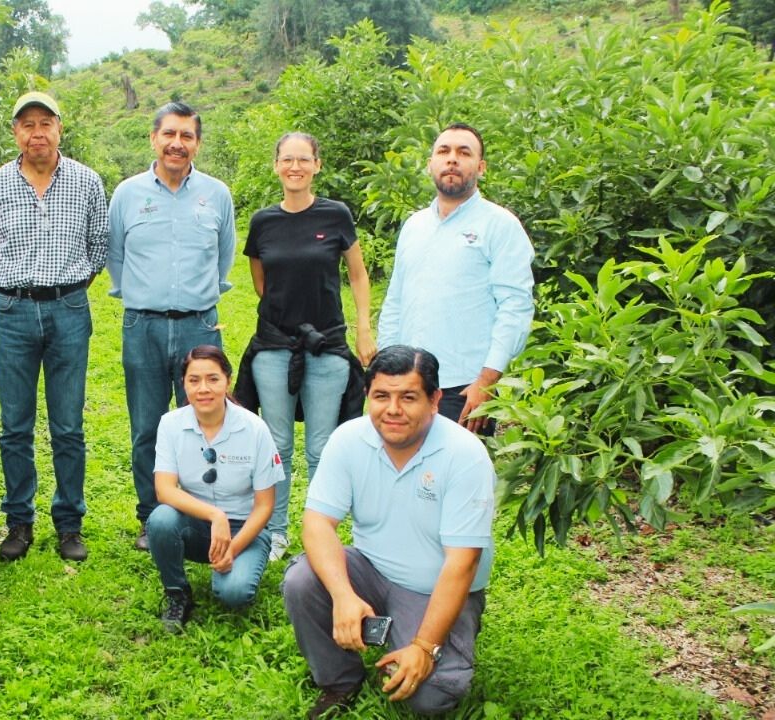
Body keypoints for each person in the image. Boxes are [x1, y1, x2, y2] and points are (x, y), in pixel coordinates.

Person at [281, 345, 495, 718]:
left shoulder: (465, 455)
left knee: (432, 698)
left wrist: (424, 647)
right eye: (381, 396)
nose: (393, 410)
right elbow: (317, 524)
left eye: (408, 397)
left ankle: (426, 639)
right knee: (302, 580)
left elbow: (462, 564)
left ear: (434, 400)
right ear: (368, 397)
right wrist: (343, 594)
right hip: (372, 569)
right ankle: (339, 678)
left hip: (435, 587)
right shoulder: (349, 439)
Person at [0, 91, 109, 562]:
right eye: (27, 124)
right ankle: (19, 521)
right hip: (12, 313)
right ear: (16, 132)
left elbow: (98, 247)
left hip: (68, 310)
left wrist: (64, 289)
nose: (37, 132)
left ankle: (69, 523)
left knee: (68, 425)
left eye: (45, 122)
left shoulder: (87, 181)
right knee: (15, 425)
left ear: (59, 128)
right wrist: (20, 288)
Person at [235, 132, 376, 562]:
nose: (295, 167)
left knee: (322, 446)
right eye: (287, 159)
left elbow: (357, 275)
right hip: (275, 345)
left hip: (328, 344)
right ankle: (274, 533)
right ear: (276, 165)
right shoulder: (262, 222)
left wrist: (363, 327)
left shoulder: (336, 216)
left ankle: (319, 536)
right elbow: (262, 283)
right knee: (276, 445)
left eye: (303, 159)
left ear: (317, 164)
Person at [107, 102, 237, 553]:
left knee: (204, 424)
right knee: (147, 428)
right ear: (153, 138)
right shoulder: (126, 194)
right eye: (169, 134)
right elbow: (116, 258)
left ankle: (201, 516)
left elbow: (224, 257)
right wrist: (145, 298)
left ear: (197, 143)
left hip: (198, 330)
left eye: (186, 135)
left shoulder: (217, 194)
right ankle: (152, 517)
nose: (177, 143)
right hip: (142, 327)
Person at [377, 123, 535, 435]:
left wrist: (486, 382)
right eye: (443, 151)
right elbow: (395, 301)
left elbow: (515, 308)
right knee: (399, 477)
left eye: (464, 152)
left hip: (464, 389)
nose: (452, 159)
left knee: (457, 480)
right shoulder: (414, 225)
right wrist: (384, 373)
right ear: (430, 164)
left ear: (481, 167)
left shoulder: (500, 225)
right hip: (406, 386)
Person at [148, 345, 280, 633]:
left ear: (227, 381)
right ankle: (177, 592)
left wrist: (233, 546)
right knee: (160, 520)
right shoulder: (170, 425)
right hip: (198, 525)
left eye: (213, 379)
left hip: (246, 528)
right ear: (183, 383)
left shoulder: (254, 429)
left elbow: (265, 505)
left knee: (234, 594)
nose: (203, 389)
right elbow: (165, 490)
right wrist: (215, 516)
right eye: (194, 380)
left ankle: (235, 564)